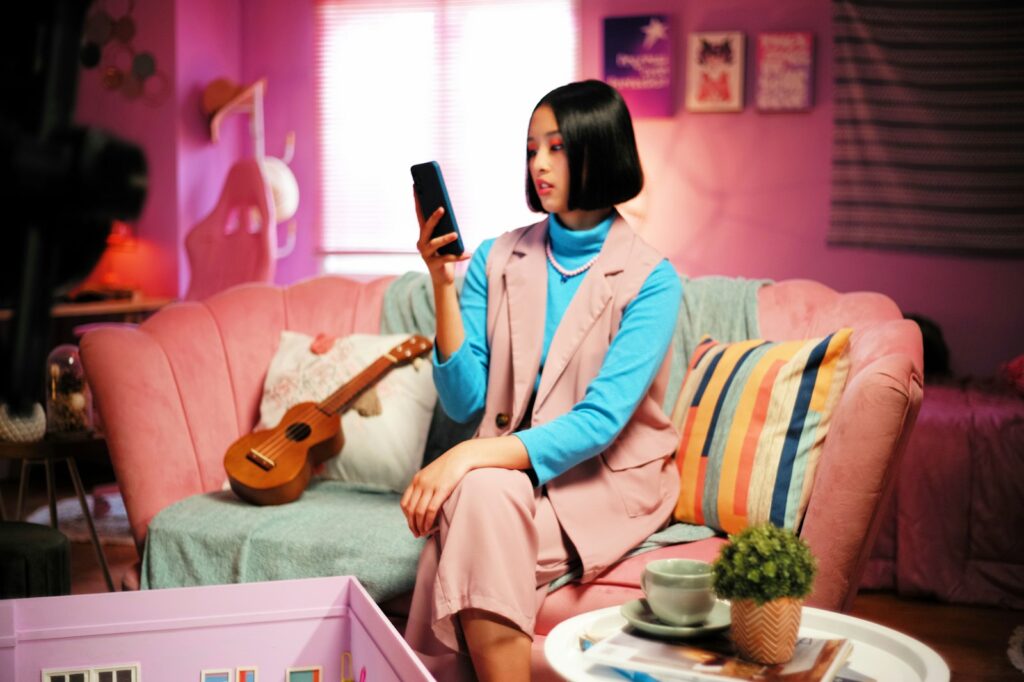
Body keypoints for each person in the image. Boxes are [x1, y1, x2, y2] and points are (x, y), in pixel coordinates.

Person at [401, 79, 682, 682]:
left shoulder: (652, 279)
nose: (539, 164)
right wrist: (443, 283)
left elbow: (600, 422)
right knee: (484, 496)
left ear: (599, 150)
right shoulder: (497, 258)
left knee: (471, 500)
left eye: (557, 148)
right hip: (505, 481)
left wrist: (464, 459)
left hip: (601, 481)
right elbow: (465, 401)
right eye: (532, 149)